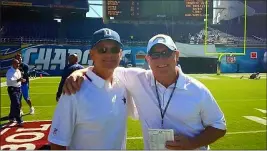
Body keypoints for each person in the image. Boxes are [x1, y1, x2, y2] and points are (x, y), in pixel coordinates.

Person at [63, 34, 227, 150]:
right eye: (155, 55)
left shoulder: (197, 90)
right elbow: (106, 66)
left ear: (176, 56)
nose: (161, 60)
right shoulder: (138, 78)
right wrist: (79, 72)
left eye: (166, 53)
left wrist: (193, 143)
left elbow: (219, 126)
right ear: (147, 59)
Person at [48, 28, 137, 150]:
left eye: (114, 49)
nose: (109, 54)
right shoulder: (74, 90)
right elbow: (57, 143)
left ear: (120, 54)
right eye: (102, 50)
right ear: (92, 55)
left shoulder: (123, 83)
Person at [6, 59, 25, 126]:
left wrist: (21, 80)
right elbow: (10, 82)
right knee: (17, 103)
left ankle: (11, 117)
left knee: (14, 104)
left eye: (18, 63)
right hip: (12, 89)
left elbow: (19, 79)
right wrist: (19, 80)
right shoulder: (10, 71)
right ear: (13, 64)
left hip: (18, 88)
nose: (18, 65)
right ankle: (19, 120)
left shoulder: (18, 71)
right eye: (17, 63)